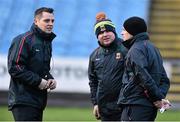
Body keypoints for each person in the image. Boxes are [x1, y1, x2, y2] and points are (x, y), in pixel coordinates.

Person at [7, 7, 57, 121]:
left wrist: (49, 79)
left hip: (38, 100)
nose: (50, 24)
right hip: (23, 99)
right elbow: (15, 67)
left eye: (52, 21)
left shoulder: (46, 42)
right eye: (46, 20)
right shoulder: (23, 39)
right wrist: (38, 81)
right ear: (36, 21)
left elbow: (42, 70)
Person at [117, 16, 170, 121]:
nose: (122, 33)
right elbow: (164, 79)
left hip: (135, 105)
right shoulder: (153, 48)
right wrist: (159, 98)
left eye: (124, 29)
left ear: (132, 31)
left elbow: (143, 77)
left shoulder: (135, 50)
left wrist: (157, 98)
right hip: (148, 107)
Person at [88, 12, 127, 121]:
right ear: (97, 36)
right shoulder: (94, 56)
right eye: (100, 33)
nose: (105, 34)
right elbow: (93, 81)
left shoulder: (127, 49)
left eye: (108, 31)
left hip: (126, 107)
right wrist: (95, 104)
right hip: (105, 110)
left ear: (114, 31)